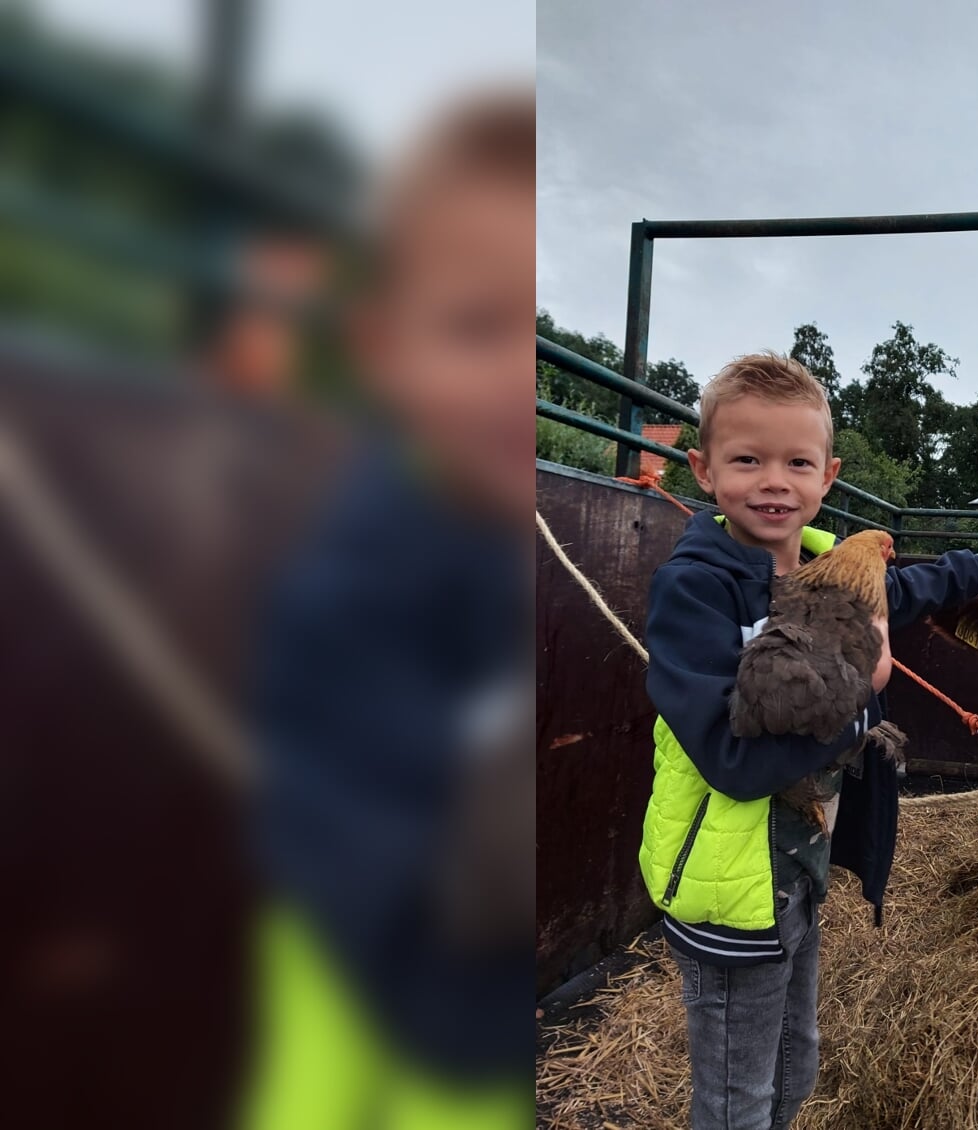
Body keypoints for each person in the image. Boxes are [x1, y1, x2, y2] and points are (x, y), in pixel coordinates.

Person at [639, 352, 978, 1130]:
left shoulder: (830, 566)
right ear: (702, 469)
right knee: (735, 1100)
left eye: (796, 462)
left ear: (827, 476)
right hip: (729, 891)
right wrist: (864, 691)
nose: (773, 481)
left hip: (795, 874)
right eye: (747, 459)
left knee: (797, 1064)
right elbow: (732, 765)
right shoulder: (696, 589)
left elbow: (907, 586)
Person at [244, 90, 534, 1130]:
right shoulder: (357, 557)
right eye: (471, 328)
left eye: (530, 332)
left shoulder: (492, 530)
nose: (515, 376)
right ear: (380, 348)